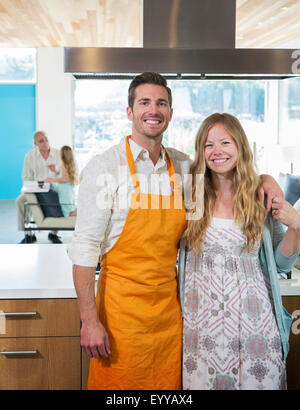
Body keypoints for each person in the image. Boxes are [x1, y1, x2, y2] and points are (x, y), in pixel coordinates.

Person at [68, 72, 284, 390]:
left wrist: (265, 177)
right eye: (144, 102)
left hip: (172, 321)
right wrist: (89, 321)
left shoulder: (184, 168)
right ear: (130, 112)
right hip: (120, 320)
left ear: (170, 113)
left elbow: (227, 170)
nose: (153, 110)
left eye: (161, 103)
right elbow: (85, 249)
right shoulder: (105, 168)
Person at [180, 113, 300, 390]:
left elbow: (281, 264)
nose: (217, 151)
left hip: (254, 326)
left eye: (225, 142)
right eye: (208, 145)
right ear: (200, 151)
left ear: (240, 147)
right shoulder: (189, 194)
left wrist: (296, 225)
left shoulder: (261, 196)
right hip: (202, 330)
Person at [17, 131, 62, 244]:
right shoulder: (29, 156)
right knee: (20, 201)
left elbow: (64, 174)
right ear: (35, 143)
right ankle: (28, 234)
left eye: (46, 139)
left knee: (57, 199)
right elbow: (26, 177)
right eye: (41, 141)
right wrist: (36, 186)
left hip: (54, 189)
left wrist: (57, 171)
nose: (45, 143)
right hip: (35, 189)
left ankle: (54, 233)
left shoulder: (58, 154)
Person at [45, 145, 77, 217]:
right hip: (69, 190)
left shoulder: (64, 164)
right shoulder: (70, 164)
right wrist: (56, 170)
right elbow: (65, 174)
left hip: (65, 192)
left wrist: (51, 180)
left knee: (68, 212)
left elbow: (65, 179)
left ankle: (75, 222)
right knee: (70, 208)